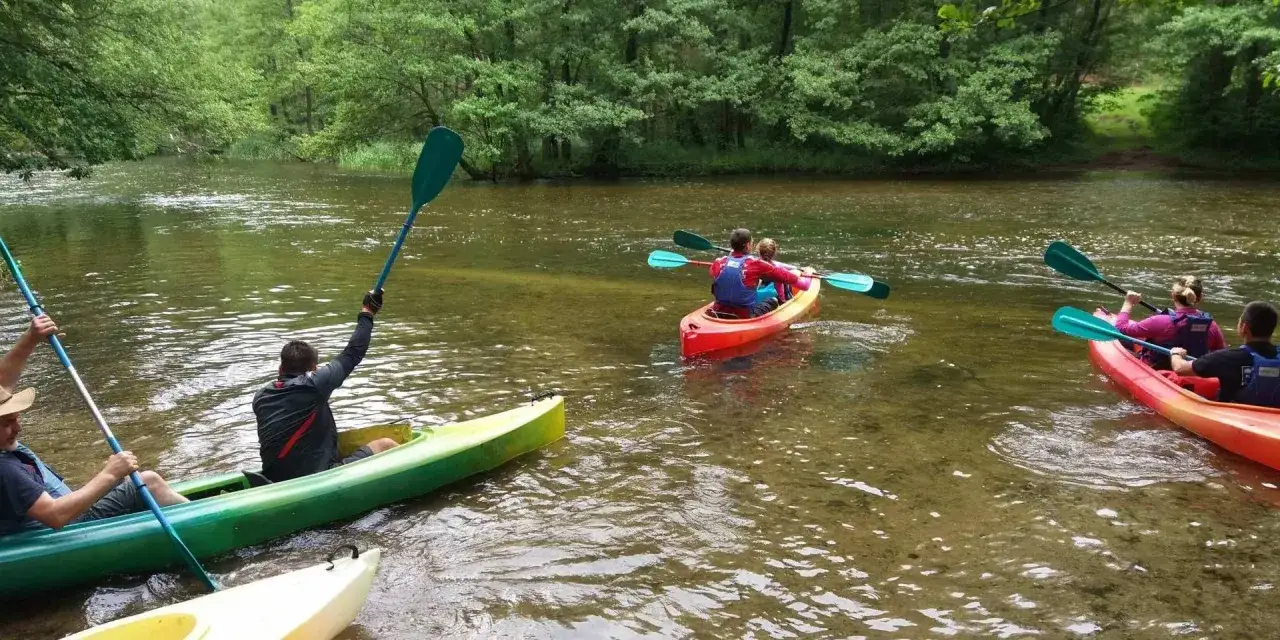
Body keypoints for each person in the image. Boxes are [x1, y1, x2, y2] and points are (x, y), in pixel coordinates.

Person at [0, 315, 188, 536]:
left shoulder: (4, 445)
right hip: (68, 530)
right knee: (149, 482)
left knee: (129, 479)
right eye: (7, 422)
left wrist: (31, 338)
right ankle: (207, 521)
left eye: (16, 418)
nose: (18, 428)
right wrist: (108, 474)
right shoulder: (5, 470)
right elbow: (55, 515)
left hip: (65, 515)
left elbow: (2, 384)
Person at [254, 290, 399, 482]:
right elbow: (353, 353)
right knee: (385, 444)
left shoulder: (261, 396)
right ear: (314, 368)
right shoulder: (314, 384)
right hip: (315, 478)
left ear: (280, 368)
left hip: (274, 477)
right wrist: (367, 312)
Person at [1172, 301, 1280, 407]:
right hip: (1272, 416)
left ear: (1244, 327)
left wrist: (1176, 354)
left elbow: (1180, 368)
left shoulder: (1228, 358)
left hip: (1235, 417)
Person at [1114, 275, 1226, 370]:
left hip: (1159, 373)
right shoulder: (1211, 325)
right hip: (1192, 373)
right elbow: (1221, 354)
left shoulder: (1160, 321)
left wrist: (1128, 303)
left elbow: (1120, 328)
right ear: (1200, 298)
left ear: (1173, 295)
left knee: (1123, 342)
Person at [709, 229, 813, 319]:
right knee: (773, 300)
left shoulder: (718, 262)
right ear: (748, 245)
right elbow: (804, 286)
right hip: (744, 317)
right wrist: (809, 272)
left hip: (718, 312)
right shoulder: (757, 264)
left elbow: (720, 272)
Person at [756, 238, 794, 303]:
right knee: (786, 280)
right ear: (774, 252)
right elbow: (780, 287)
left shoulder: (753, 264)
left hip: (756, 296)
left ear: (758, 251)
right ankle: (787, 299)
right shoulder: (777, 268)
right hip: (774, 298)